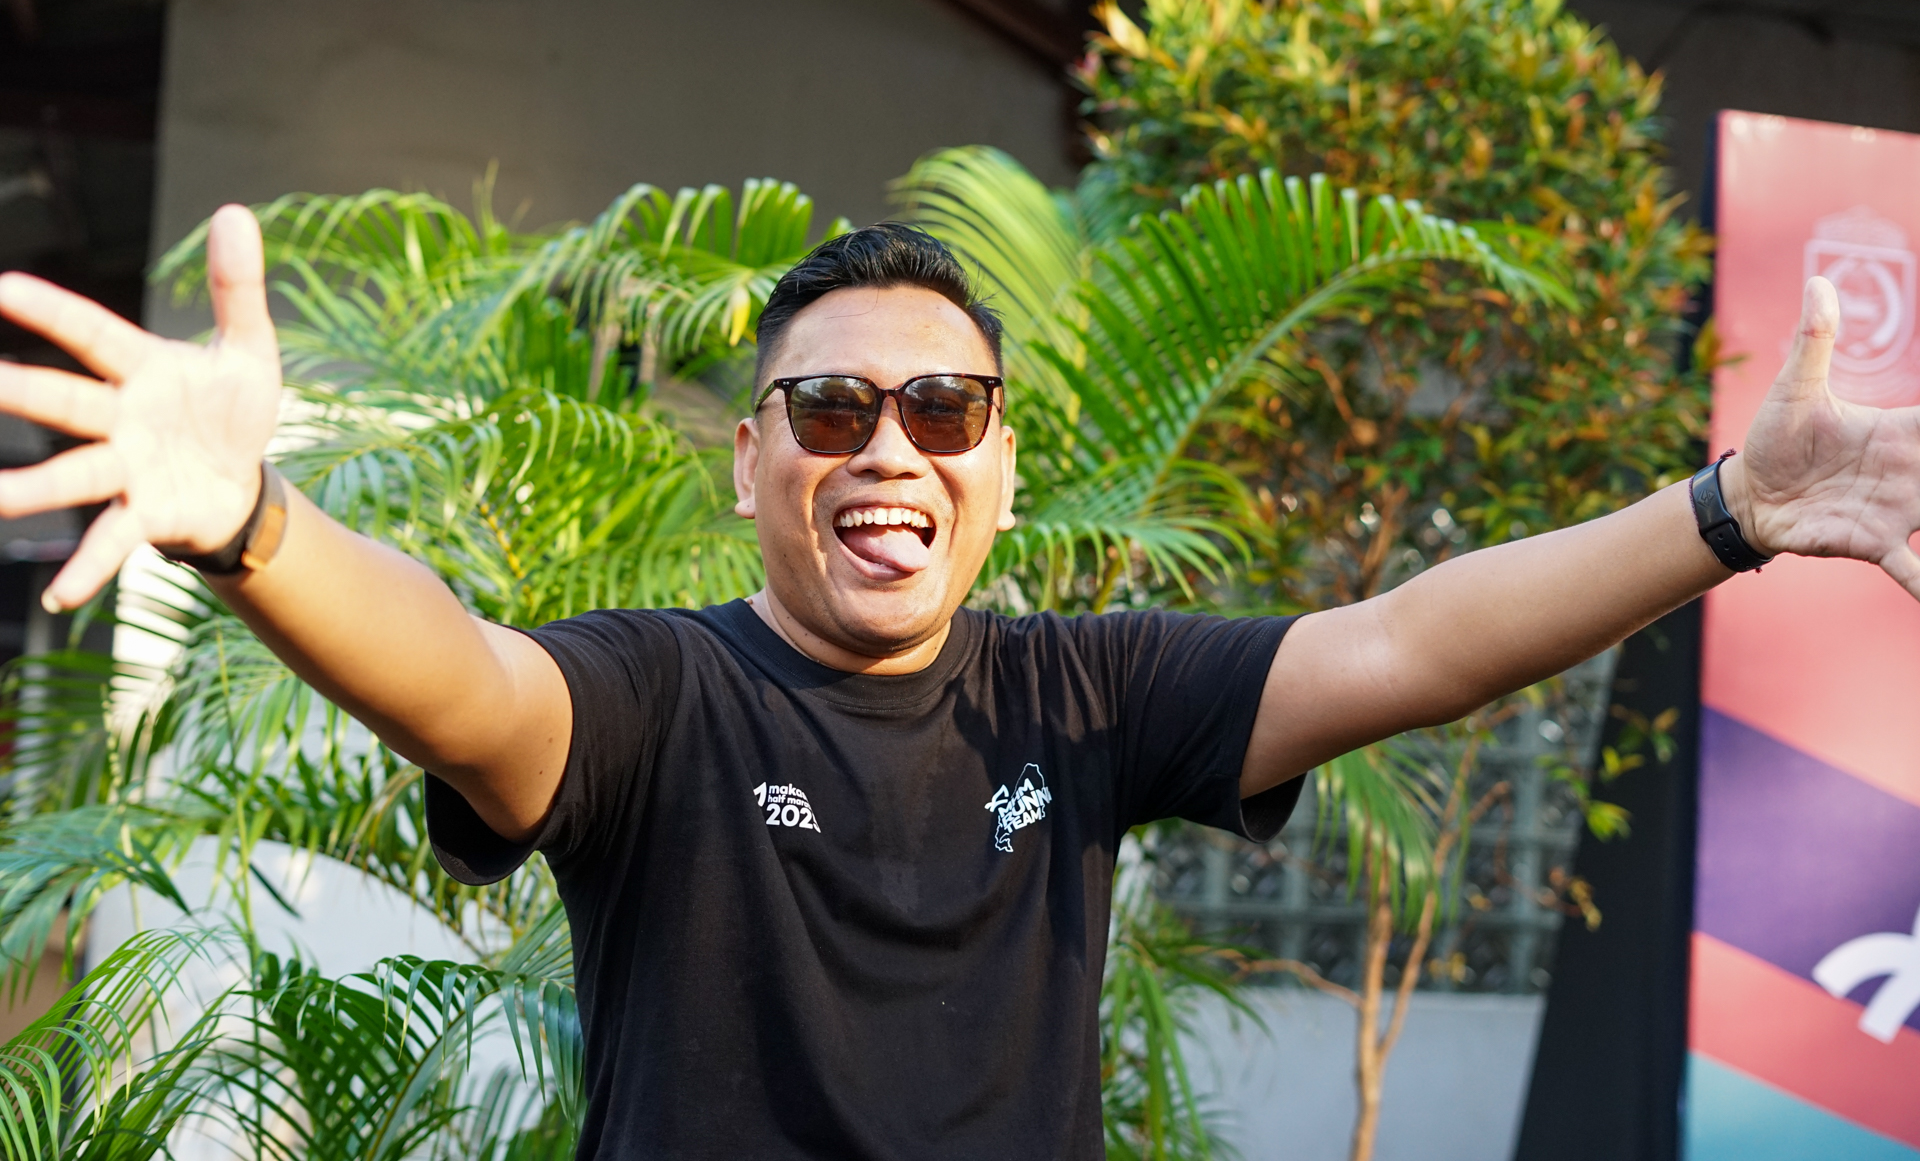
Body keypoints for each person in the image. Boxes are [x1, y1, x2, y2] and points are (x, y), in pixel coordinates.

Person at [0, 210, 1914, 1160]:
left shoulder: (1084, 696)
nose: (889, 448)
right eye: (831, 409)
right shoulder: (662, 698)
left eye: (942, 408)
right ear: (752, 460)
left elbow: (1409, 645)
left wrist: (1730, 513)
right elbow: (464, 685)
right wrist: (257, 524)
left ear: (998, 465)